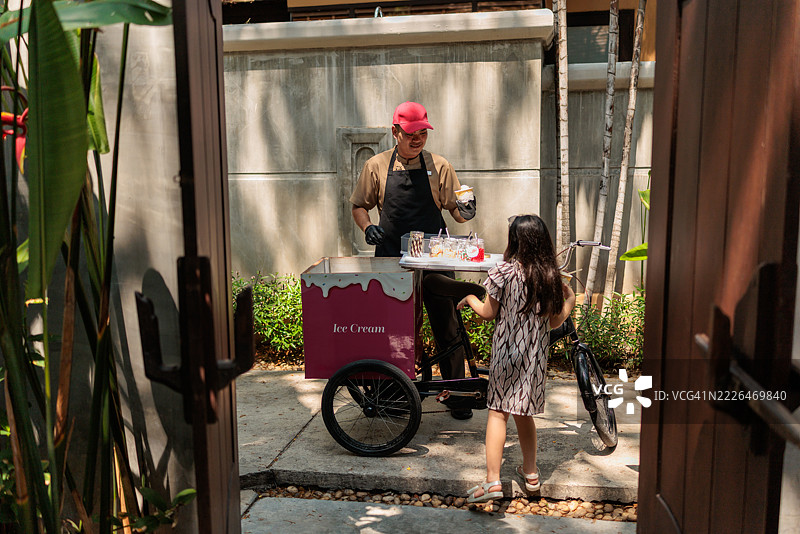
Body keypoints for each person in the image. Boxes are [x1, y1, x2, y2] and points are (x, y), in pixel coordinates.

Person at [349, 101, 477, 419]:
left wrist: (468, 206)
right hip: (393, 259)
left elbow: (459, 213)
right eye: (410, 133)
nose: (417, 138)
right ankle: (392, 394)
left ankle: (458, 394)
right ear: (395, 132)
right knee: (393, 329)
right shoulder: (376, 166)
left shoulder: (440, 166)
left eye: (423, 132)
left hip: (434, 259)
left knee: (447, 323)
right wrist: (368, 228)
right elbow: (359, 205)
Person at [456, 214, 576, 503]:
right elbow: (555, 322)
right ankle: (531, 475)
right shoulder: (549, 277)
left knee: (498, 412)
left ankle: (492, 481)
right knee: (524, 412)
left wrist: (470, 299)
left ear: (515, 241)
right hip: (534, 356)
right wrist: (571, 300)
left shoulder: (502, 272)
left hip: (505, 353)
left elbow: (488, 313)